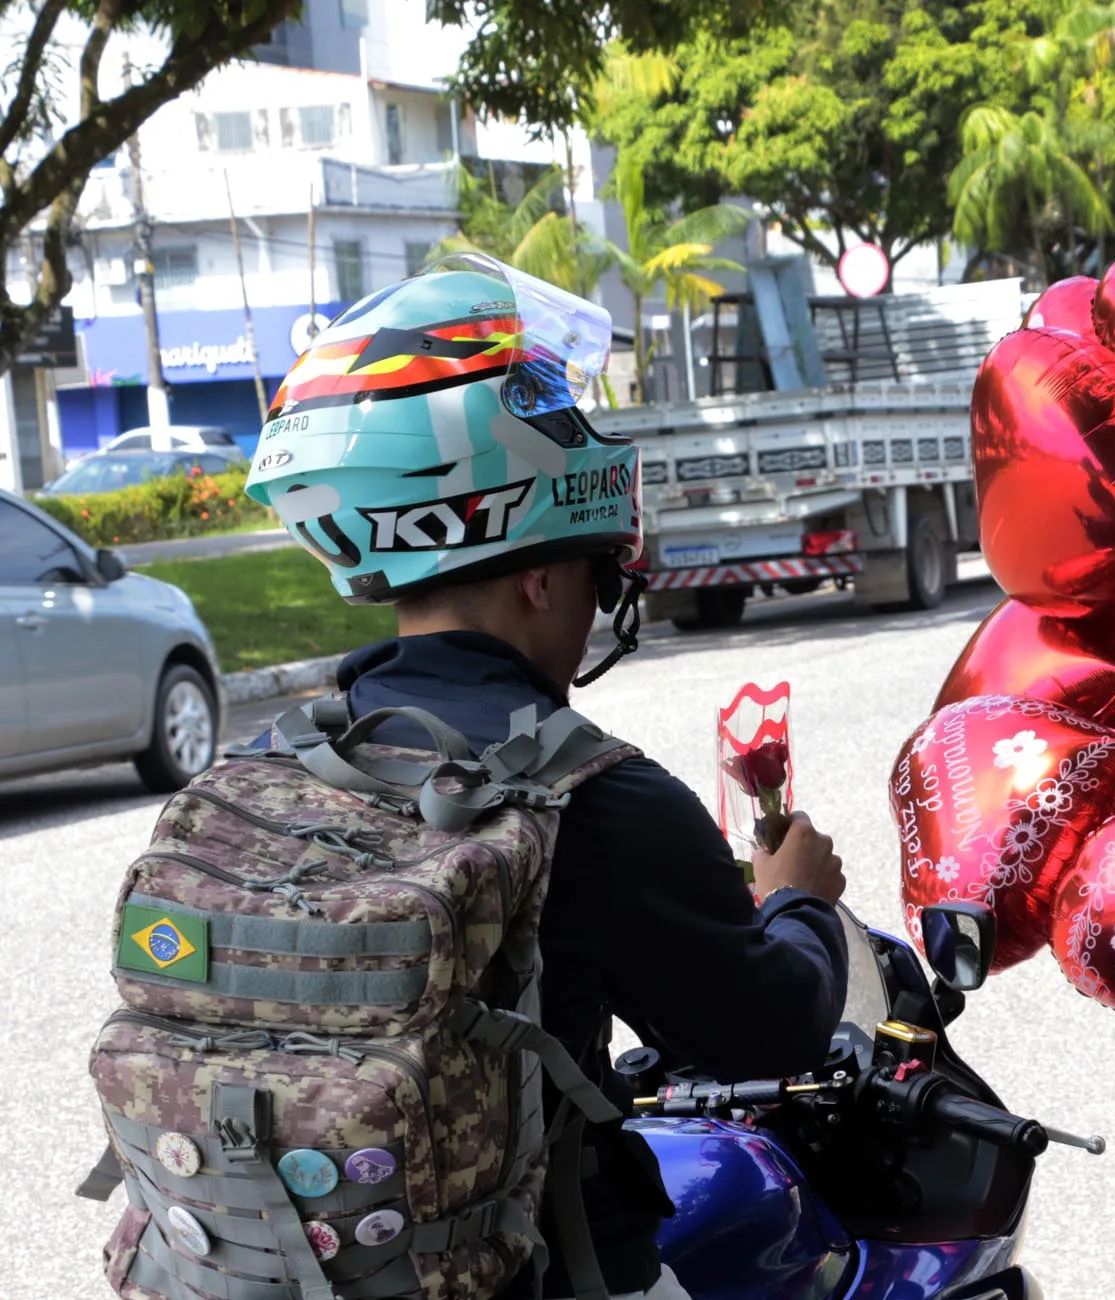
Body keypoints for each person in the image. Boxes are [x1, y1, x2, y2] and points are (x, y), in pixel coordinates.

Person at [246, 255, 850, 1300]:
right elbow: (774, 1028)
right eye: (592, 573)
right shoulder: (594, 797)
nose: (592, 604)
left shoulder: (269, 766)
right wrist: (796, 898)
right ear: (539, 574)